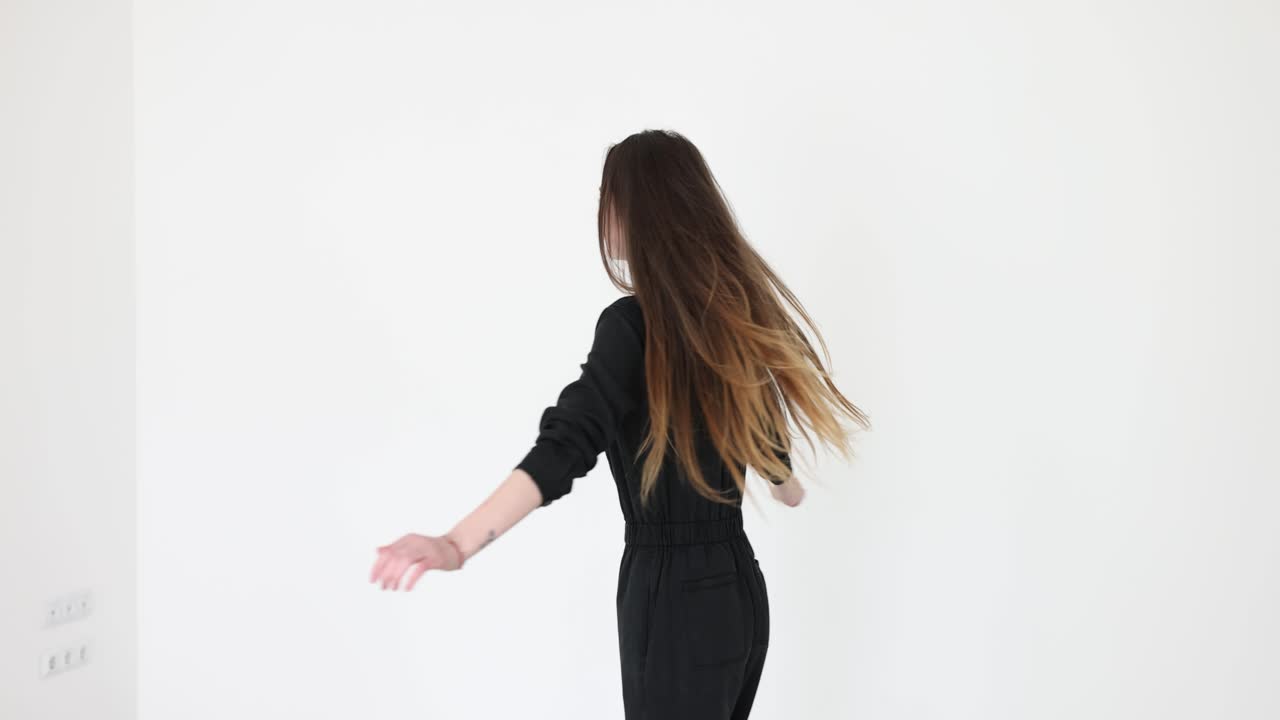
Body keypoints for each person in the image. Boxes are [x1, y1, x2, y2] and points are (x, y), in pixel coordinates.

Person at [369, 129, 870, 719]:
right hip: (739, 589)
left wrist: (456, 544)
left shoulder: (632, 327)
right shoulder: (730, 322)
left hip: (673, 599)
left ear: (638, 210)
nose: (601, 212)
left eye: (607, 196)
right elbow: (779, 477)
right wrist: (787, 483)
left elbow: (569, 442)